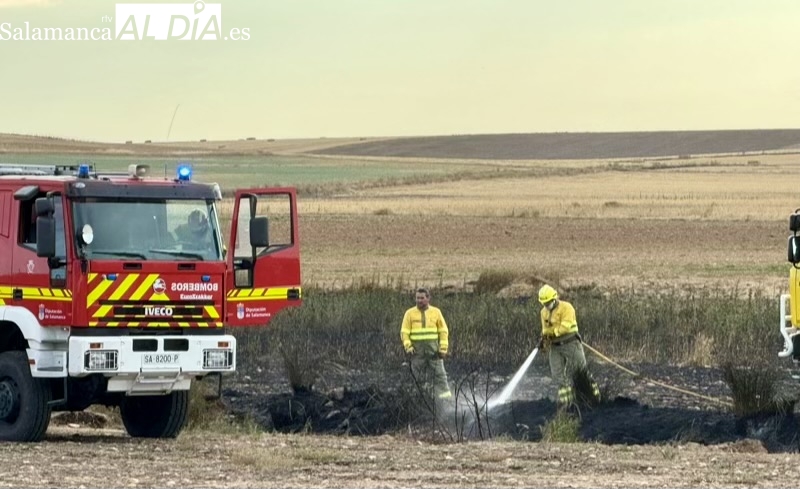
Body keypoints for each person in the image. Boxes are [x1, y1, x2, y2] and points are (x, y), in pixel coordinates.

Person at [537, 284, 600, 407]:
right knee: (557, 375)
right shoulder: (543, 312)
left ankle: (595, 398)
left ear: (554, 298)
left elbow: (565, 327)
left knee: (581, 371)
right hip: (555, 347)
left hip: (570, 343)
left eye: (548, 302)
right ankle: (568, 403)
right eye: (544, 303)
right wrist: (543, 340)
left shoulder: (567, 308)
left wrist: (552, 333)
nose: (546, 305)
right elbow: (545, 329)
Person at [400, 287, 452, 399]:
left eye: (422, 298)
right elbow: (404, 332)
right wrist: (408, 347)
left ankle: (446, 399)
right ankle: (422, 400)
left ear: (428, 298)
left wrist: (443, 349)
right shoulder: (409, 313)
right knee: (418, 378)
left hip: (434, 351)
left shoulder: (436, 312)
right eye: (417, 298)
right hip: (417, 352)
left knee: (440, 376)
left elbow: (443, 331)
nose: (419, 300)